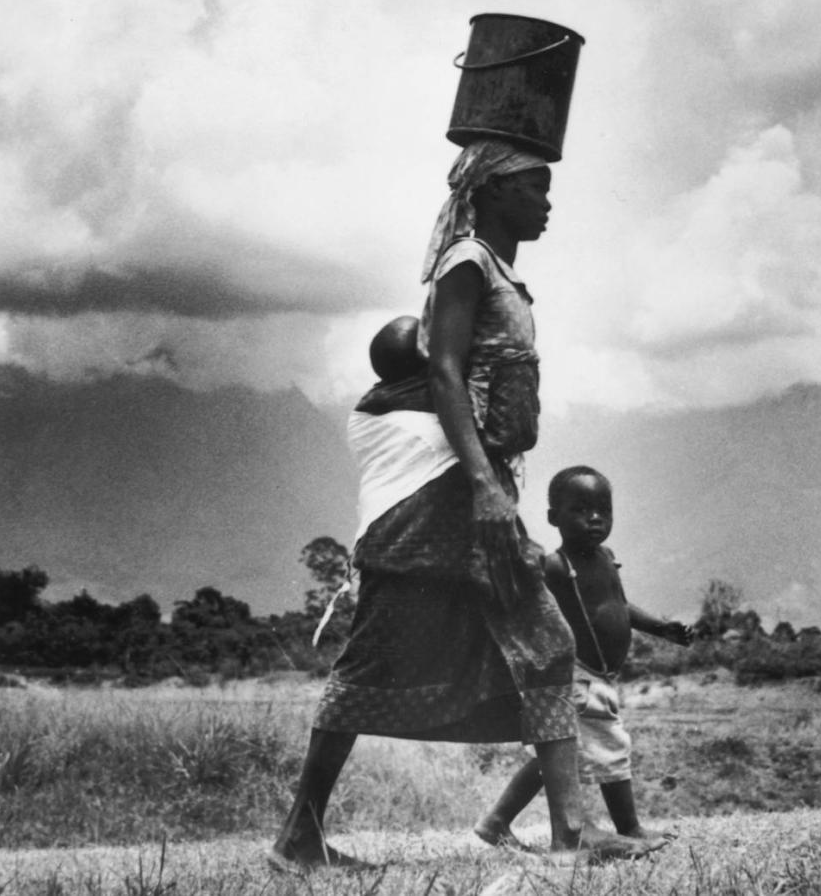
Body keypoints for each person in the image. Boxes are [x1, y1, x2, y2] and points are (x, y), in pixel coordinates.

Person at [273, 141, 659, 869]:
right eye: (534, 189)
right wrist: (483, 483)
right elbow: (446, 375)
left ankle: (572, 834)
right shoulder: (467, 263)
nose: (547, 202)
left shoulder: (501, 275)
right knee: (373, 659)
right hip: (447, 496)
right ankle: (299, 836)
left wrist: (495, 482)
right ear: (492, 192)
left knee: (545, 645)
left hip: (478, 487)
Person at [475, 465, 694, 849]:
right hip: (576, 674)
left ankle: (502, 821)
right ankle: (623, 826)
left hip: (603, 677)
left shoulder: (607, 558)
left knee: (582, 753)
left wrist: (659, 627)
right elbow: (525, 606)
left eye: (602, 510)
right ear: (553, 518)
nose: (594, 518)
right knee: (583, 750)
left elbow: (619, 606)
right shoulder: (557, 567)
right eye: (580, 510)